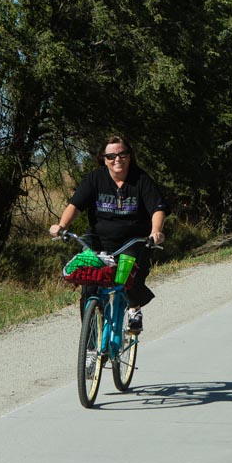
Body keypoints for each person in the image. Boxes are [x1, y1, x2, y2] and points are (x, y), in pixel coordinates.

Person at [50, 135, 166, 332]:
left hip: (132, 241)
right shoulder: (95, 179)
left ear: (130, 156)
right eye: (111, 156)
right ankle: (92, 344)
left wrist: (156, 232)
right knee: (89, 283)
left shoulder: (141, 180)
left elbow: (157, 208)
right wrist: (61, 225)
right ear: (104, 159)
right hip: (98, 240)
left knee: (126, 275)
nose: (117, 159)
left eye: (122, 154)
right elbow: (75, 205)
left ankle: (133, 308)